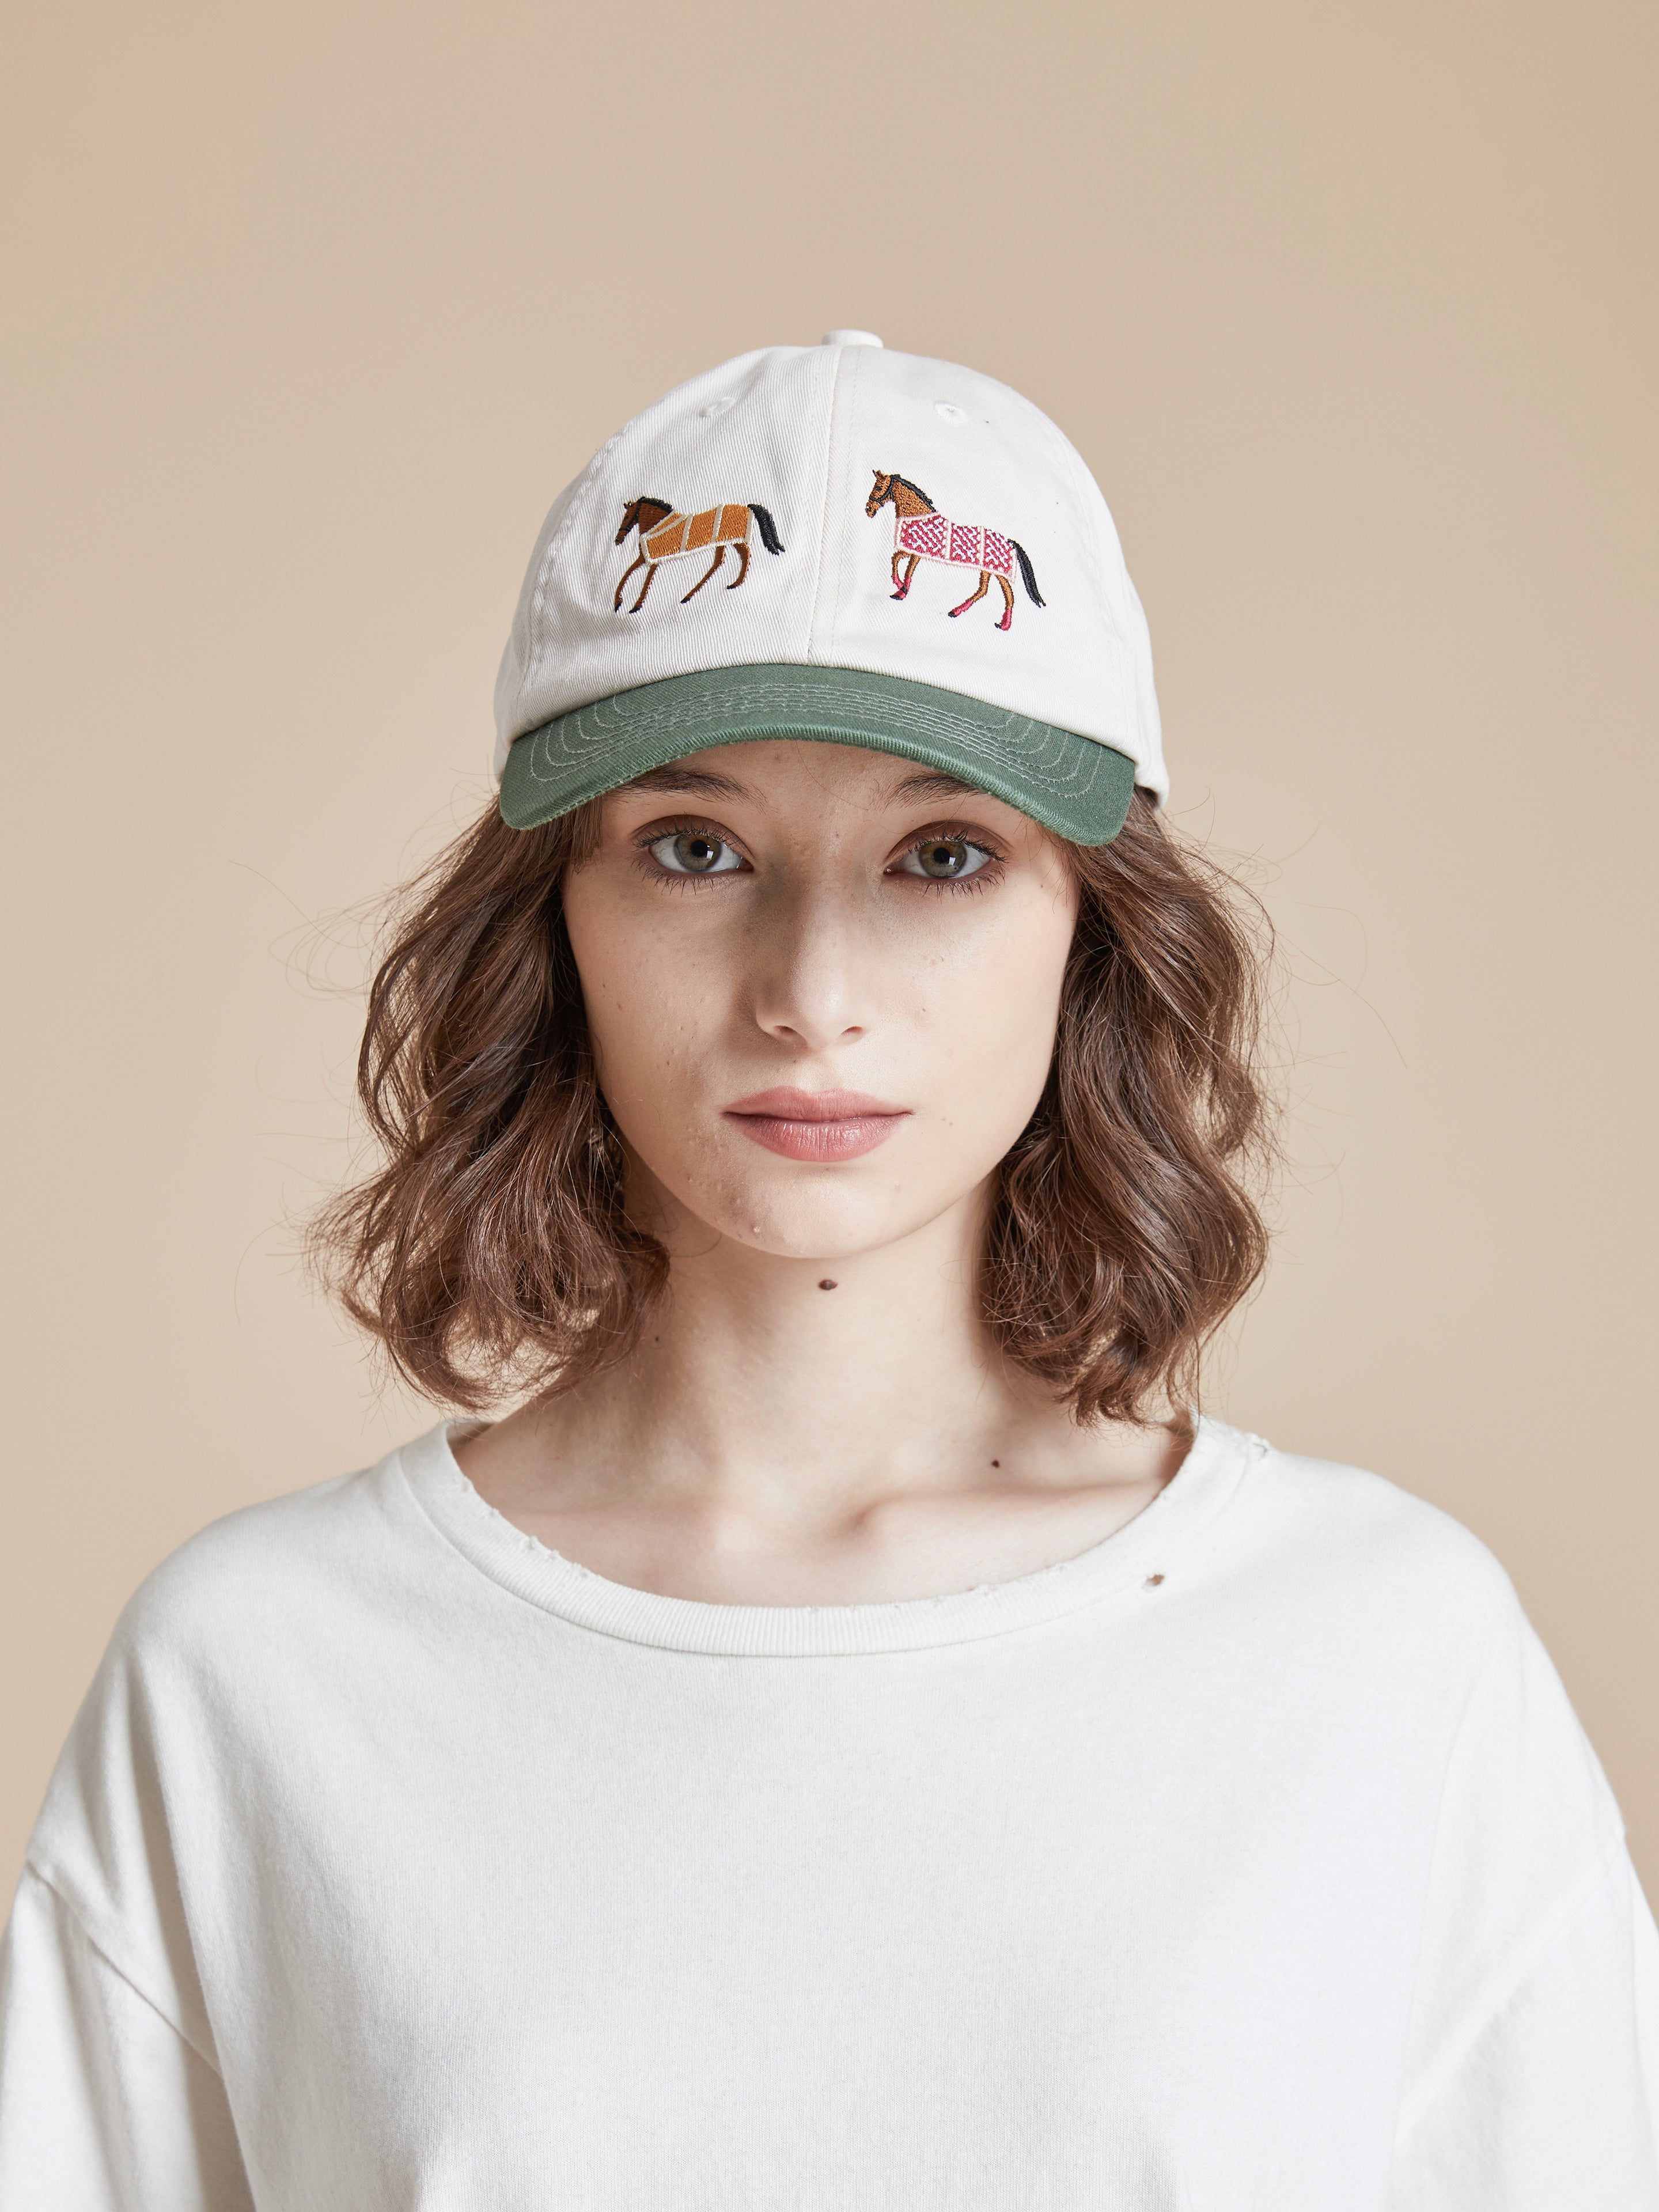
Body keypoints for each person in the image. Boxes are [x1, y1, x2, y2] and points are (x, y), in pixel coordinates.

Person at [0, 330, 1653, 2209]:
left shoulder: (1385, 1656)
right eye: (695, 847)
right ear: (550, 920)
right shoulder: (260, 1674)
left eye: (941, 857)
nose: (811, 996)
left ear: (1091, 937)